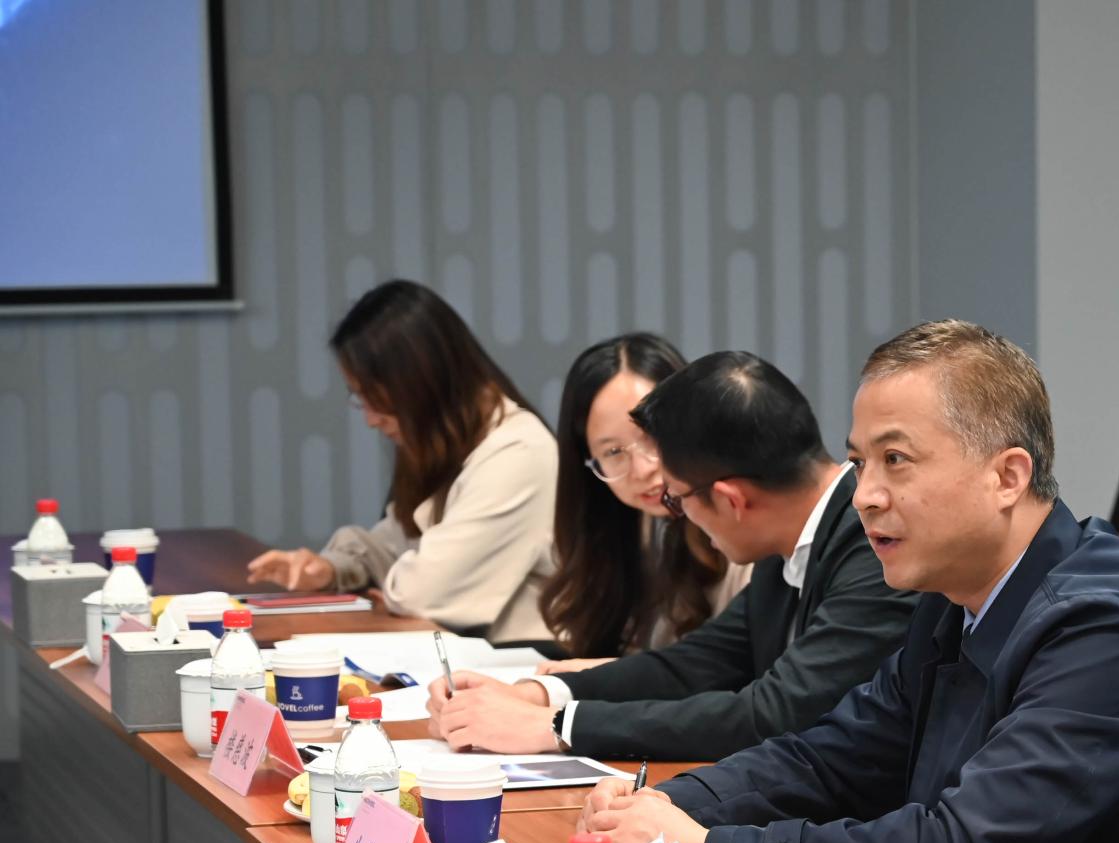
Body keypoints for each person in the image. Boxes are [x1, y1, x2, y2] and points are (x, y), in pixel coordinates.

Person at [576, 319, 1119, 843]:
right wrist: (670, 805)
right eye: (860, 462)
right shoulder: (954, 599)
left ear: (1008, 477)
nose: (865, 494)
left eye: (896, 460)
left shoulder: (1100, 624)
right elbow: (833, 756)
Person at [428, 351, 916, 760]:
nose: (675, 513)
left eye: (677, 498)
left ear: (730, 500)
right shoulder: (791, 535)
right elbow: (698, 662)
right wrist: (541, 694)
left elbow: (772, 714)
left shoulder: (873, 548)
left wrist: (557, 725)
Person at [246, 279, 558, 642]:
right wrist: (330, 569)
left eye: (375, 398)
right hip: (467, 654)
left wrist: (396, 587)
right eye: (360, 398)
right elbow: (396, 543)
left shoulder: (518, 454)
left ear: (422, 384)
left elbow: (423, 594)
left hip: (529, 661)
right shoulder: (452, 440)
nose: (370, 419)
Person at [535, 332, 751, 668]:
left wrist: (601, 675)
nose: (642, 469)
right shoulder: (634, 529)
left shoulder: (748, 526)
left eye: (652, 435)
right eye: (613, 452)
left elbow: (742, 677)